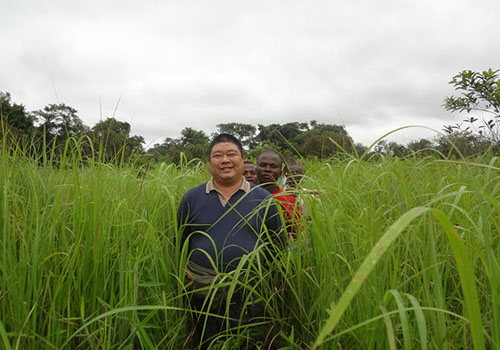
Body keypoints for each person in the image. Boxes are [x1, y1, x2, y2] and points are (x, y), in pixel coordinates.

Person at [177, 134, 284, 348]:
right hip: (201, 293)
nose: (225, 160)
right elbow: (181, 245)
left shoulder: (264, 199)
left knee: (248, 342)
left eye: (231, 154)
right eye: (218, 155)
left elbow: (277, 247)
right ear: (210, 163)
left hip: (250, 294)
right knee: (207, 343)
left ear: (242, 160)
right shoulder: (192, 198)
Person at [257, 151, 302, 240]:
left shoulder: (290, 201)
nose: (267, 169)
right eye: (263, 165)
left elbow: (297, 237)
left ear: (281, 173)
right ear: (256, 169)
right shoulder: (244, 196)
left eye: (273, 166)